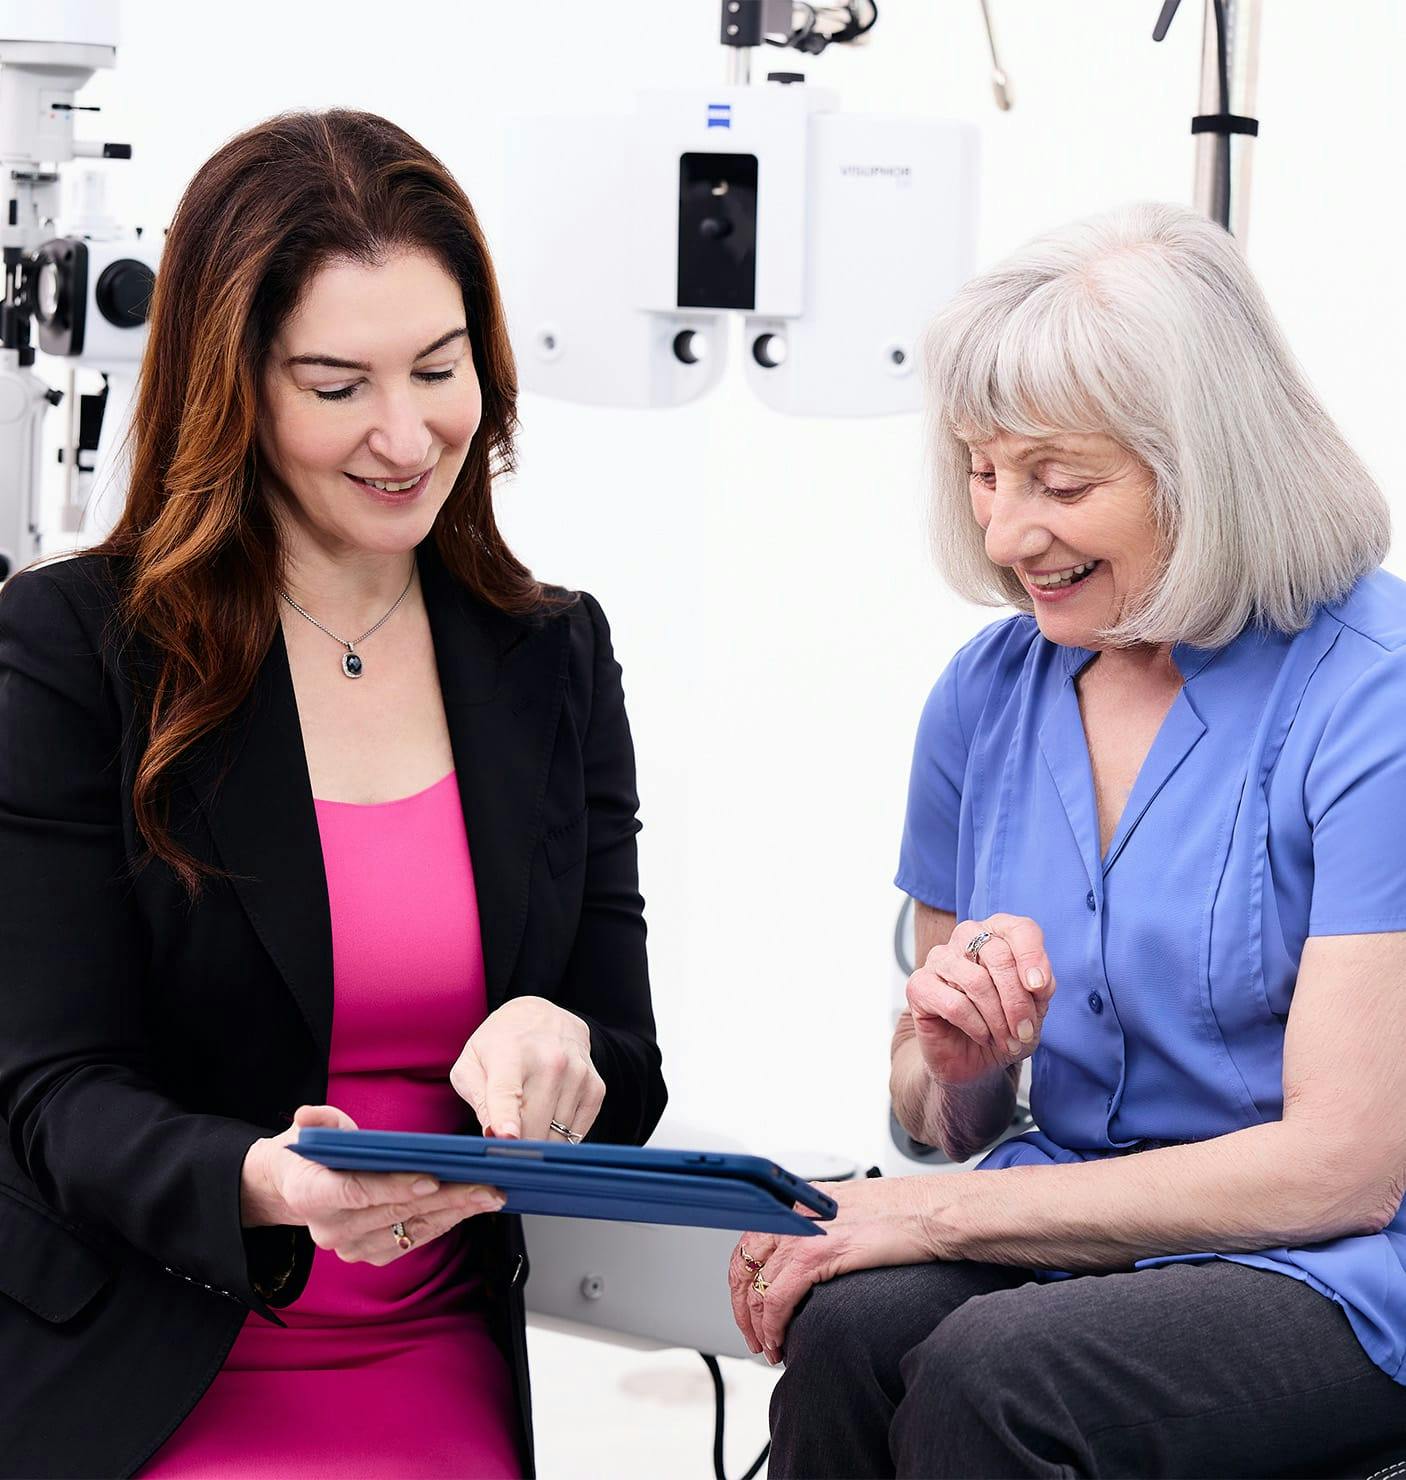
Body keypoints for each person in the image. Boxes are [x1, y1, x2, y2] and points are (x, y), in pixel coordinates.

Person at [0, 109, 666, 1479]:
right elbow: (47, 1093)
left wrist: (558, 1041)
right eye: (335, 384)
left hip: (437, 1369)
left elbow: (627, 1061)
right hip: (149, 1373)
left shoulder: (552, 656)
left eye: (438, 367)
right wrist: (268, 1183)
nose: (406, 433)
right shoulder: (76, 652)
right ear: (231, 388)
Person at [728, 202, 1406, 1478]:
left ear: (1207, 464)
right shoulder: (986, 699)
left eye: (1060, 480)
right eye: (982, 471)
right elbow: (939, 1115)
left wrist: (925, 1208)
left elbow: (1342, 1171)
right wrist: (953, 1061)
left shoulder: (1373, 697)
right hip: (1074, 1217)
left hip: (1340, 1266)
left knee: (995, 1380)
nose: (1002, 532)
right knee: (850, 1328)